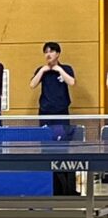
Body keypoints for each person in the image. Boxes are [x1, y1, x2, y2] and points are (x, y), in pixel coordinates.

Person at [30, 42, 77, 195]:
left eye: (51, 52)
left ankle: (68, 189)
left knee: (64, 150)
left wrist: (58, 69)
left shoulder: (66, 68)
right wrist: (42, 70)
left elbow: (72, 82)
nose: (48, 55)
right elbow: (32, 85)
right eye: (46, 52)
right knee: (47, 150)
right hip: (45, 116)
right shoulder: (41, 70)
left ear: (57, 54)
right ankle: (51, 188)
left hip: (61, 115)